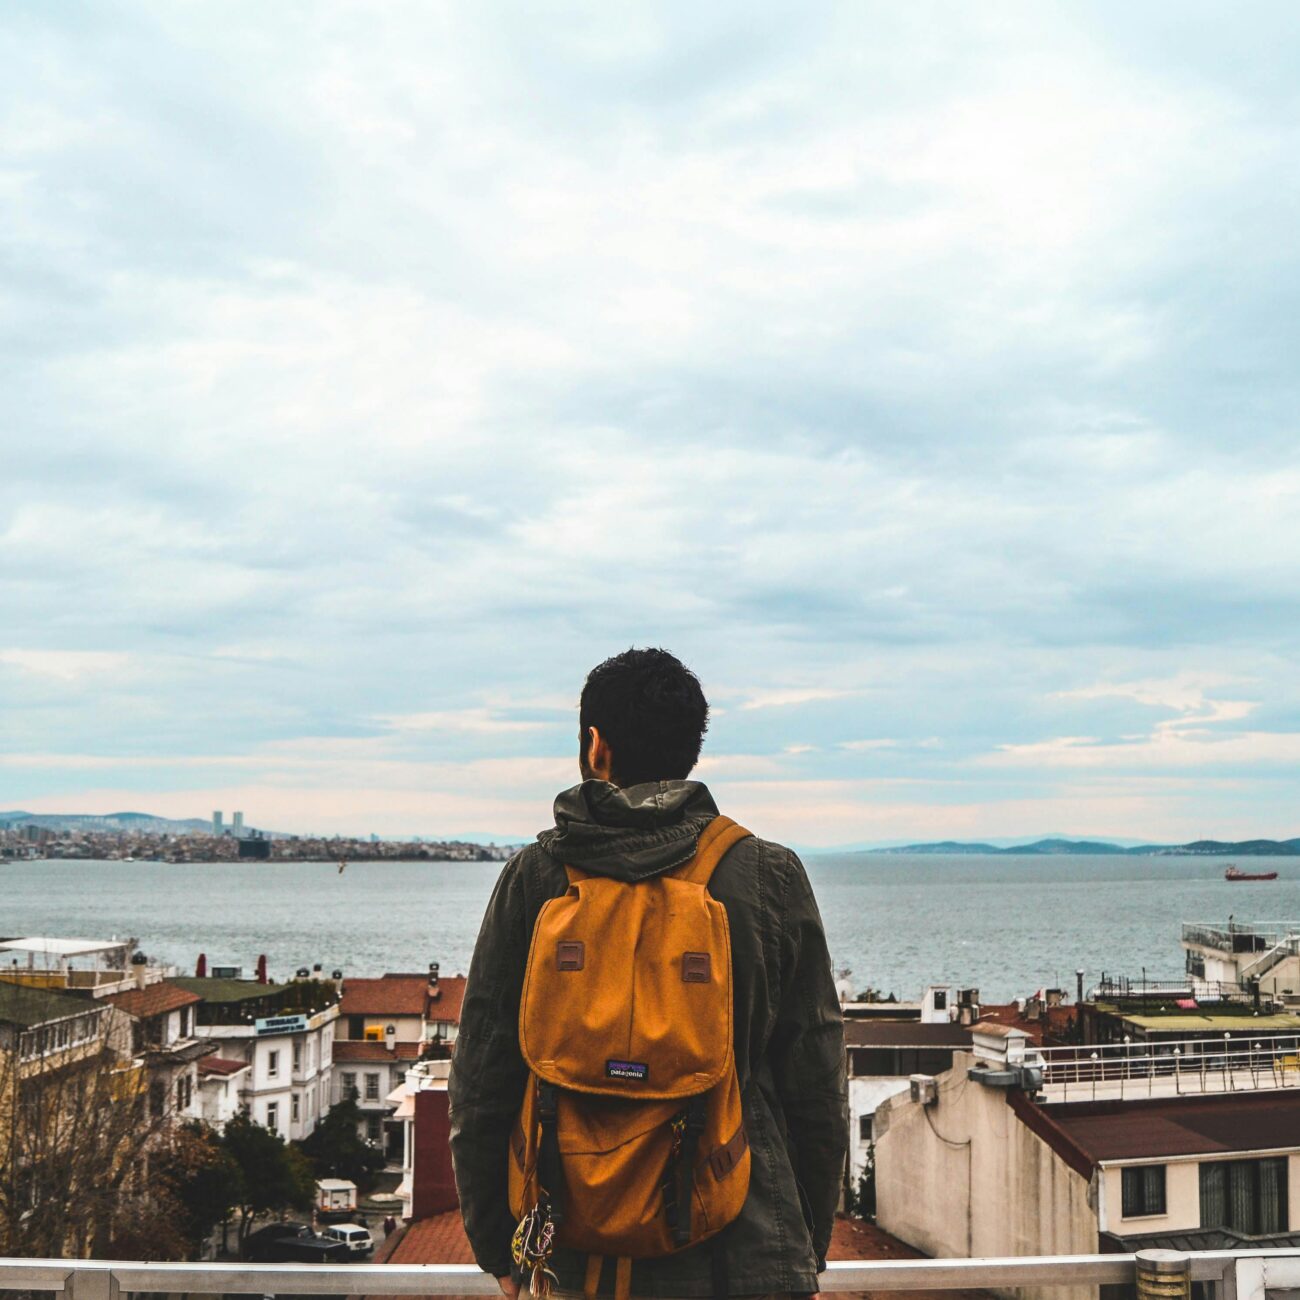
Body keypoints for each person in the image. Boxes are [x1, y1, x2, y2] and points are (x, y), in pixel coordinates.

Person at [449, 647, 847, 1299]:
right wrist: (802, 1246)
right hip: (742, 1251)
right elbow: (818, 1084)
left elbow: (482, 1079)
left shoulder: (537, 878)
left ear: (594, 746)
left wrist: (500, 1248)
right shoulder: (768, 876)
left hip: (569, 1253)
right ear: (692, 749)